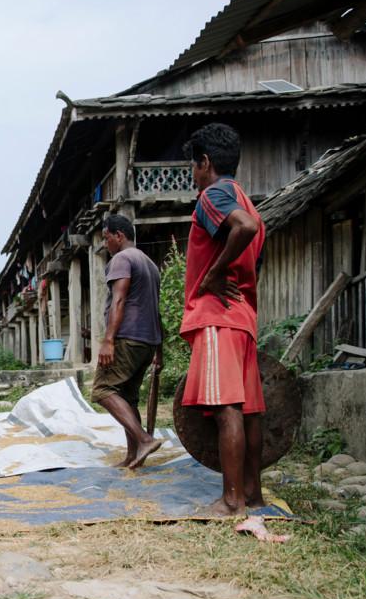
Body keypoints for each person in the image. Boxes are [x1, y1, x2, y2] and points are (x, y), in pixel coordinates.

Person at [180, 122, 266, 516]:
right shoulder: (247, 202)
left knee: (227, 406)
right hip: (243, 317)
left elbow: (243, 231)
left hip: (219, 316)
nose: (193, 175)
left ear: (206, 162)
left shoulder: (213, 194)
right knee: (248, 409)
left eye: (193, 165)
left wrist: (212, 275)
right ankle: (251, 492)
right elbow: (252, 241)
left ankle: (231, 502)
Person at [92, 214, 164, 469]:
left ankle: (144, 440)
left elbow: (119, 300)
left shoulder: (122, 259)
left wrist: (108, 340)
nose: (106, 244)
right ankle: (133, 454)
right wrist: (160, 351)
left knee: (102, 390)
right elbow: (157, 309)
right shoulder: (149, 263)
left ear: (118, 236)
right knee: (128, 397)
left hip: (127, 337)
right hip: (147, 341)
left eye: (106, 238)